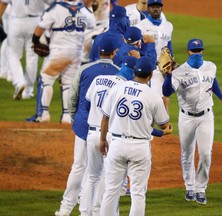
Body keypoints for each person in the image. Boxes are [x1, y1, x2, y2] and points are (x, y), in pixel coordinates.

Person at [54, 36, 120, 216]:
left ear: (98, 51)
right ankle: (98, 210)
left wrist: (77, 117)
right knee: (103, 172)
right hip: (108, 129)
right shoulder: (118, 72)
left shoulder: (84, 69)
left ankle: (65, 209)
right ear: (114, 53)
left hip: (84, 125)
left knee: (79, 166)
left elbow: (72, 97)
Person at [162, 38, 222, 205]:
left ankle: (201, 188)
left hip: (206, 117)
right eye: (194, 51)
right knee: (187, 153)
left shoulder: (211, 66)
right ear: (188, 52)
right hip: (186, 118)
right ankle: (189, 186)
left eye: (199, 50)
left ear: (203, 51)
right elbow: (166, 92)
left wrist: (221, 96)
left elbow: (212, 80)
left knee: (206, 154)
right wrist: (168, 74)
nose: (197, 53)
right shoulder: (178, 72)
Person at [99, 56, 171, 216]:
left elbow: (105, 117)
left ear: (134, 72)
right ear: (150, 76)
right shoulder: (152, 96)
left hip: (116, 144)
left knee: (111, 191)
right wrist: (165, 103)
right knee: (138, 193)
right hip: (139, 147)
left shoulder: (117, 88)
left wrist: (103, 139)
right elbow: (164, 125)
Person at [79, 56, 138, 216]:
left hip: (91, 133)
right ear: (133, 72)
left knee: (91, 176)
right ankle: (99, 211)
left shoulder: (99, 79)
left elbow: (88, 101)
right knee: (108, 177)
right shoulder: (125, 88)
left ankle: (84, 213)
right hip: (109, 136)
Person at [27, 0, 96, 123]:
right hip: (77, 54)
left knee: (46, 79)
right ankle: (66, 117)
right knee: (68, 83)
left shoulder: (56, 8)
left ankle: (43, 114)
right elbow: (92, 24)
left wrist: (35, 41)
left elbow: (40, 27)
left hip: (59, 52)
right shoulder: (84, 10)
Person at [0, 0, 55, 100]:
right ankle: (28, 91)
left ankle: (19, 82)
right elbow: (53, 3)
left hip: (16, 21)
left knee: (13, 55)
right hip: (35, 21)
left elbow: (3, 3)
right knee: (32, 57)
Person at [136, 0, 173, 110]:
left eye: (158, 6)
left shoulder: (168, 26)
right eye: (153, 6)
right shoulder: (141, 26)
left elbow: (169, 45)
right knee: (143, 100)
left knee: (161, 99)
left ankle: (164, 126)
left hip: (162, 68)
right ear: (148, 9)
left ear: (161, 8)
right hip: (146, 68)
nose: (156, 9)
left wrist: (171, 61)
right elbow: (137, 47)